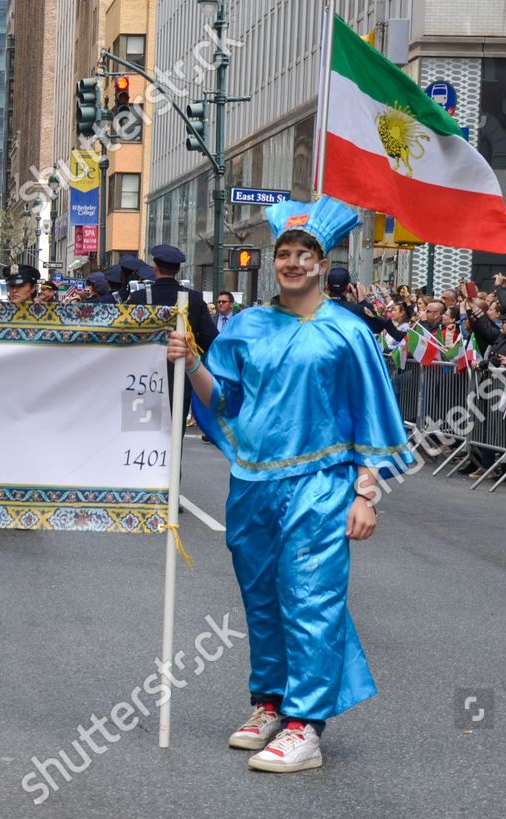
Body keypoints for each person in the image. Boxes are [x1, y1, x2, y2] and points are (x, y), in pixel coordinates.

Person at [170, 196, 412, 773]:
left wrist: (365, 493)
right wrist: (191, 361)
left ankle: (306, 725)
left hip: (320, 485)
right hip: (252, 483)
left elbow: (372, 416)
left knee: (311, 597)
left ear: (321, 263)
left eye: (305, 254)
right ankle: (270, 704)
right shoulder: (248, 326)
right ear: (272, 261)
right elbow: (223, 399)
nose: (293, 262)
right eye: (285, 253)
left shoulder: (348, 334)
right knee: (263, 599)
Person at [129, 244, 217, 427]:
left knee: (140, 433)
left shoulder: (138, 298)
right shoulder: (193, 298)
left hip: (142, 380)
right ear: (178, 270)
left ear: (155, 268)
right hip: (180, 378)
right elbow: (212, 338)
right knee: (175, 440)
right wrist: (191, 347)